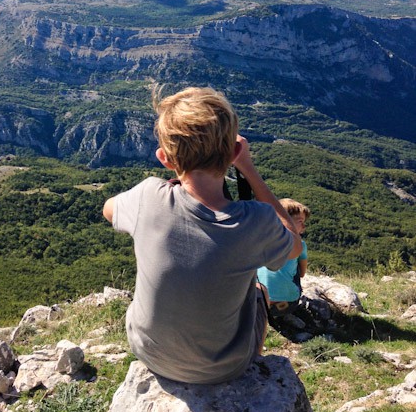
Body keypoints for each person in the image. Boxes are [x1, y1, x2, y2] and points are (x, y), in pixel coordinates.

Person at [102, 86, 302, 384]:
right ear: (233, 152)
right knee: (259, 291)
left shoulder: (149, 196)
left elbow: (109, 208)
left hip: (150, 354)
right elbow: (295, 246)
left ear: (164, 158)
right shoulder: (255, 221)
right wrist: (248, 169)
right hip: (224, 369)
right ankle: (248, 365)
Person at [257, 199, 310, 319]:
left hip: (257, 303)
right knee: (296, 266)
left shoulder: (259, 240)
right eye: (300, 221)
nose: (304, 226)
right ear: (285, 221)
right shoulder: (300, 245)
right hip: (286, 305)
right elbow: (302, 273)